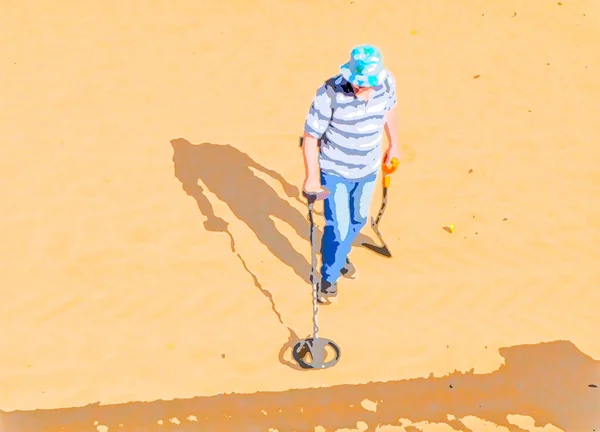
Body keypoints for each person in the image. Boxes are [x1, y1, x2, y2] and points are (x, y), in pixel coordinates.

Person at [301, 44, 400, 299]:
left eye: (364, 83)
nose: (358, 87)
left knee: (358, 220)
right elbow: (311, 137)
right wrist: (312, 177)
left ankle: (338, 252)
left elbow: (388, 111)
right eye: (355, 82)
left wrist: (394, 144)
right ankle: (328, 277)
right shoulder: (329, 93)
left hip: (368, 169)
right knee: (338, 225)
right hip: (335, 169)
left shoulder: (387, 83)